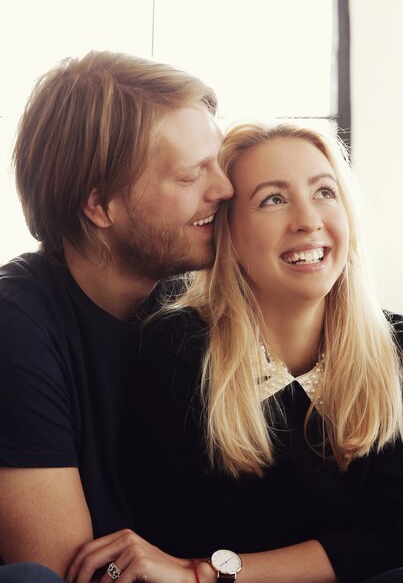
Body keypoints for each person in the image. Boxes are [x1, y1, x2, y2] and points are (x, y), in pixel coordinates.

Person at [67, 123, 403, 583]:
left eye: (325, 191)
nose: (308, 220)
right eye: (273, 199)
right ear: (228, 233)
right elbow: (185, 539)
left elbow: (395, 533)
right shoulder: (176, 352)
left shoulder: (399, 349)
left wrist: (207, 573)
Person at [0, 50, 233, 581]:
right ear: (100, 206)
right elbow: (71, 570)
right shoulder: (18, 328)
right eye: (190, 176)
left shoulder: (196, 302)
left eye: (218, 163)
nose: (225, 189)